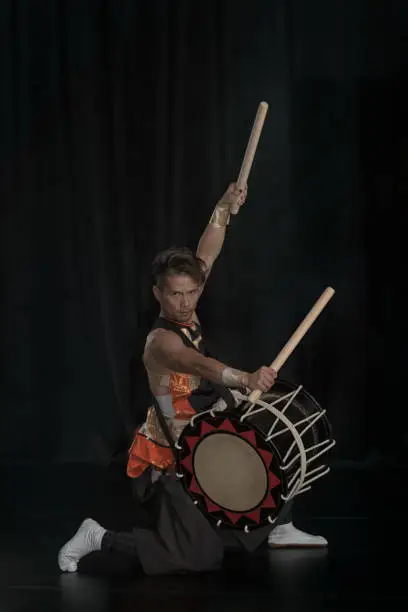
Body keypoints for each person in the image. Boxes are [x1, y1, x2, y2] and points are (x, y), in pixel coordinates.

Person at [58, 183, 327, 576]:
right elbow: (198, 364)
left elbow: (208, 250)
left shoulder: (189, 301)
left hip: (197, 432)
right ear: (157, 293)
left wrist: (222, 207)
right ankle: (97, 537)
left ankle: (279, 527)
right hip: (168, 455)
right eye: (174, 295)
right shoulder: (161, 342)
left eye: (191, 292)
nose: (184, 303)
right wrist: (244, 377)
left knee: (260, 431)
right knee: (197, 557)